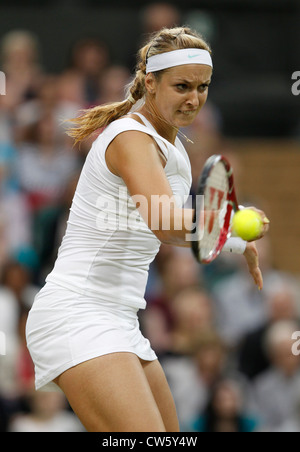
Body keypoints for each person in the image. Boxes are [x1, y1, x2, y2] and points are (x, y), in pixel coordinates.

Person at [26, 27, 269, 432]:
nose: (194, 98)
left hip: (122, 319)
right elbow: (164, 221)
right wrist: (229, 219)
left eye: (203, 86)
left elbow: (173, 232)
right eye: (182, 86)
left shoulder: (172, 152)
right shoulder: (130, 138)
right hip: (77, 313)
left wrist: (230, 237)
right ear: (150, 83)